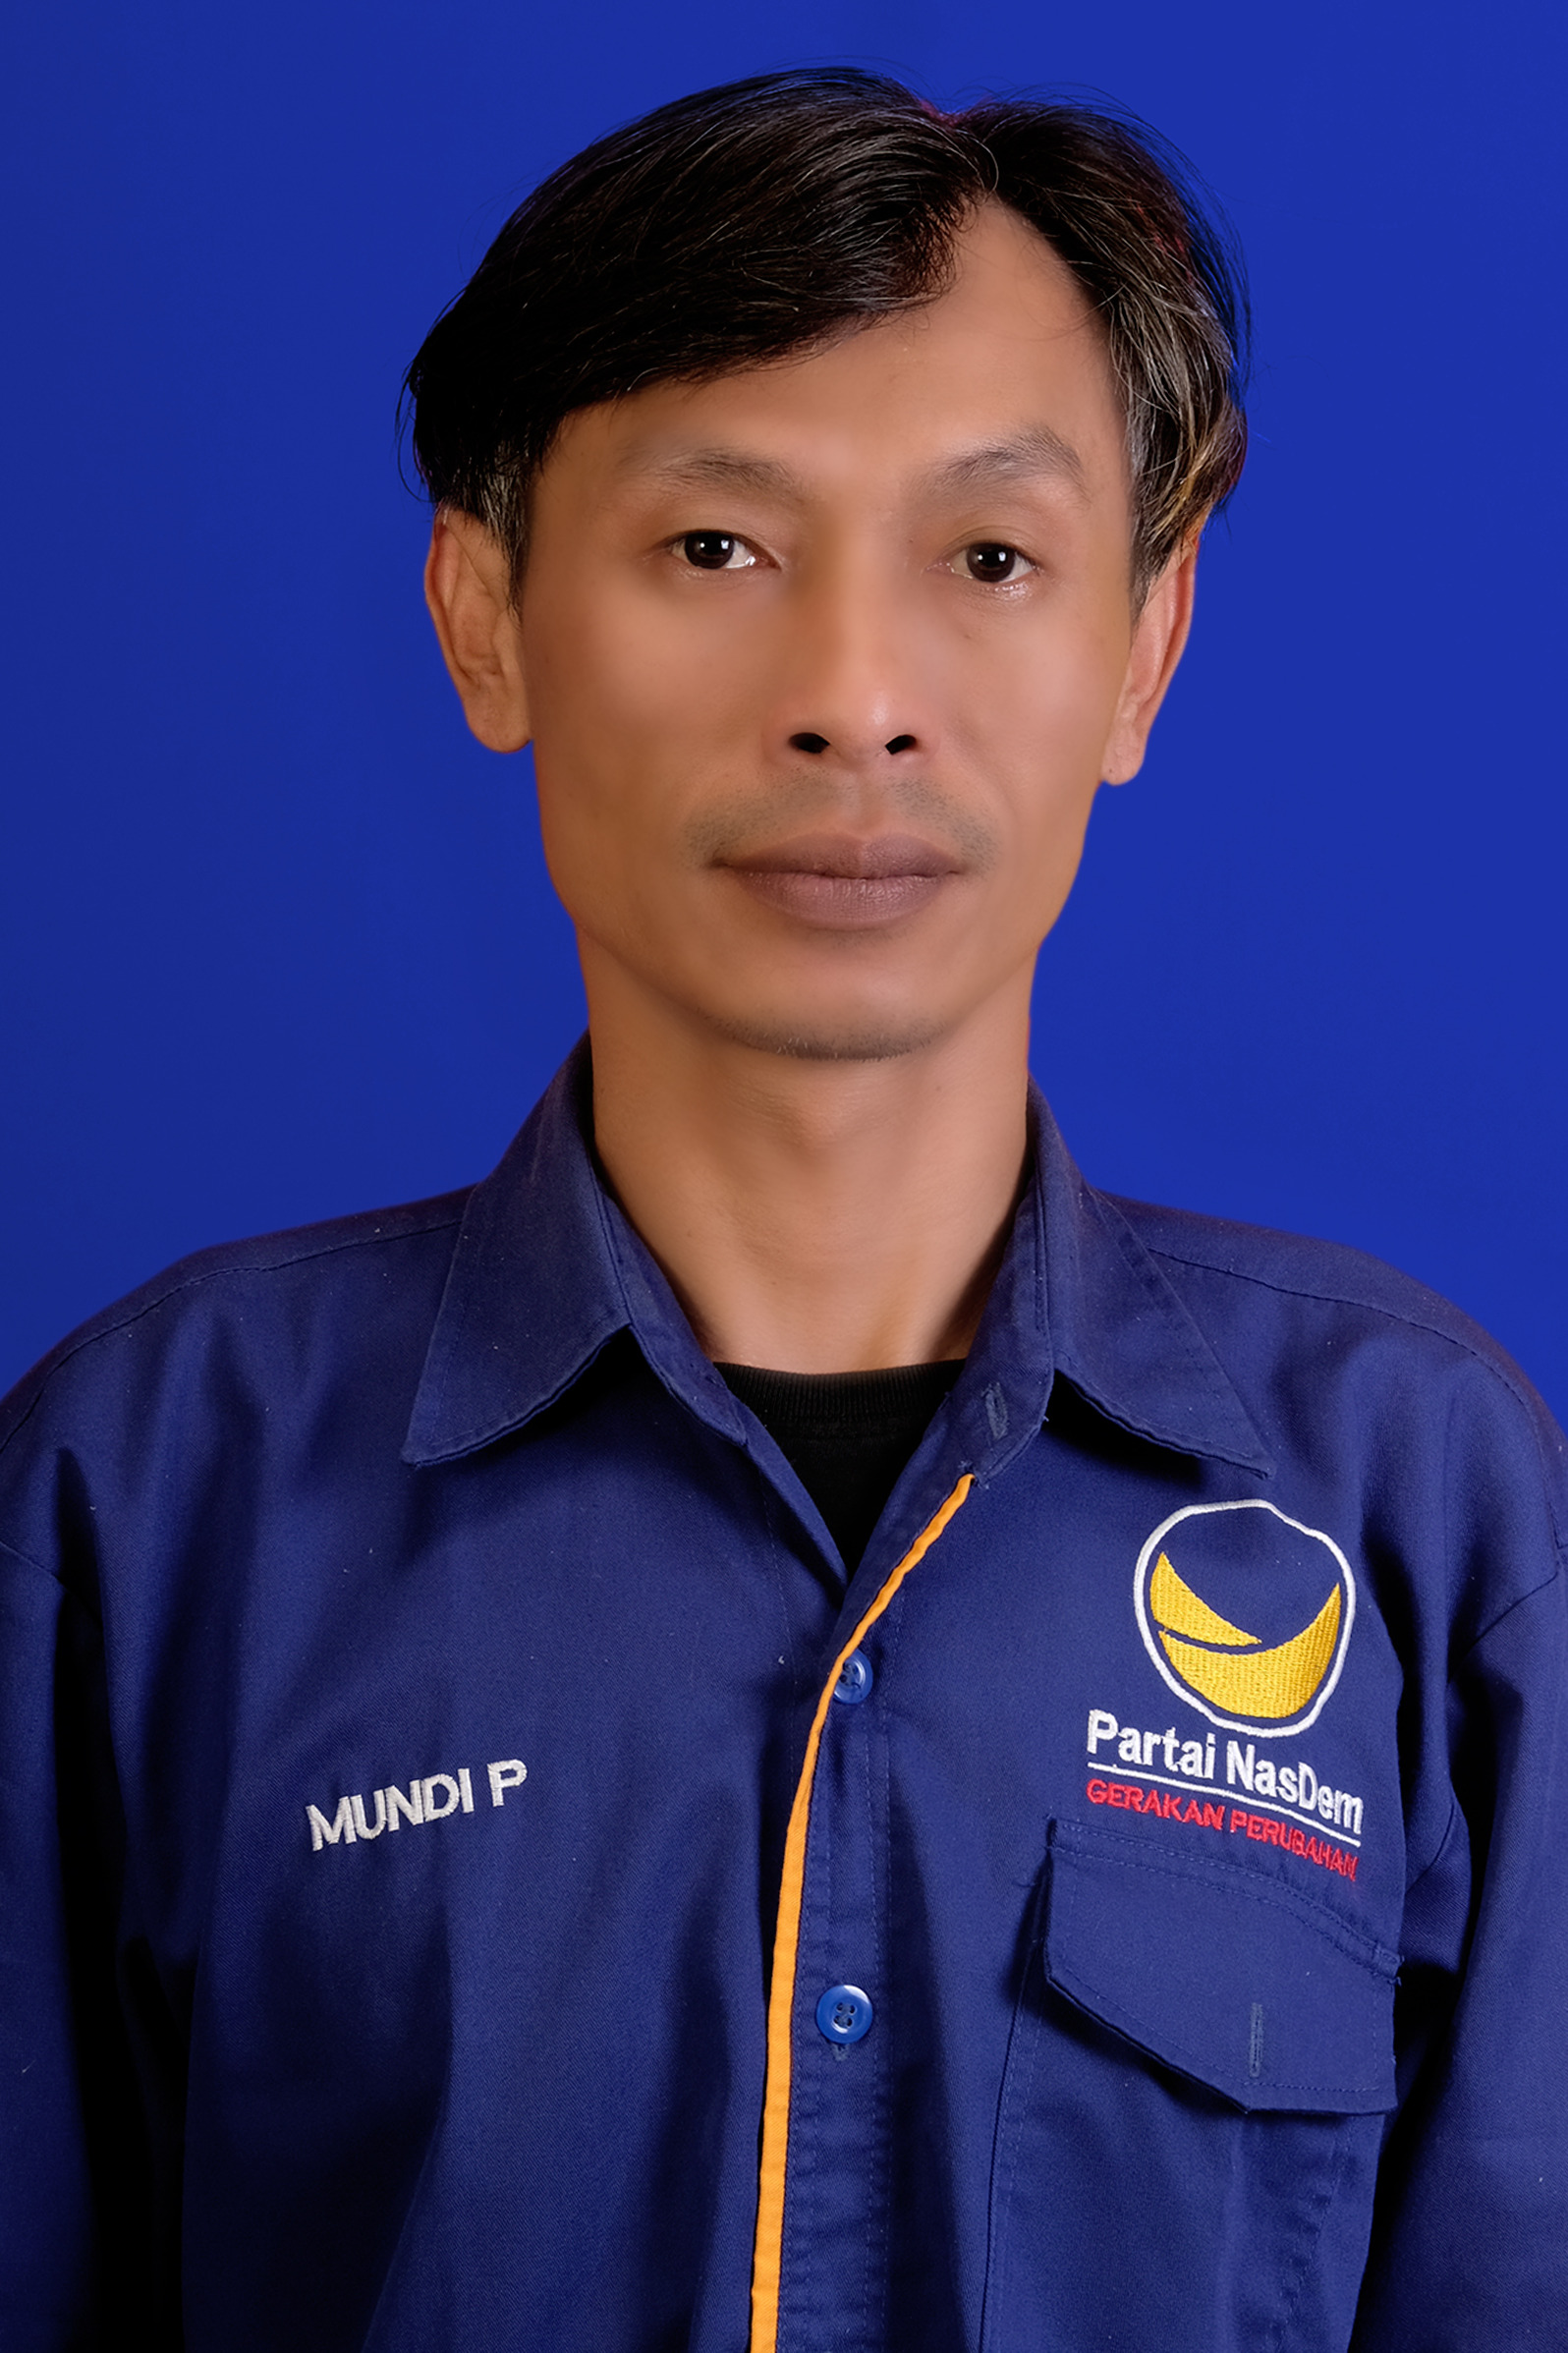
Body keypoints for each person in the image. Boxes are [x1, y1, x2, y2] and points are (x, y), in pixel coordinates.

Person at [1, 66, 1562, 2353]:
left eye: (990, 559)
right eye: (716, 547)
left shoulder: (1420, 1501)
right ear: (485, 616)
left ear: (1142, 649)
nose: (854, 699)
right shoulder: (143, 1501)